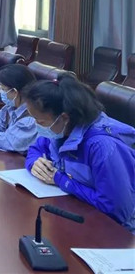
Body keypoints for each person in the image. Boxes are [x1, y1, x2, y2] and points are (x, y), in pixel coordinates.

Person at [24, 74, 135, 232]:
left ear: (64, 118)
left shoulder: (102, 147)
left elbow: (115, 209)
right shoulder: (60, 131)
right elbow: (36, 148)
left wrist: (62, 180)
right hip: (81, 211)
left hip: (120, 230)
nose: (36, 126)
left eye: (40, 121)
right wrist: (34, 162)